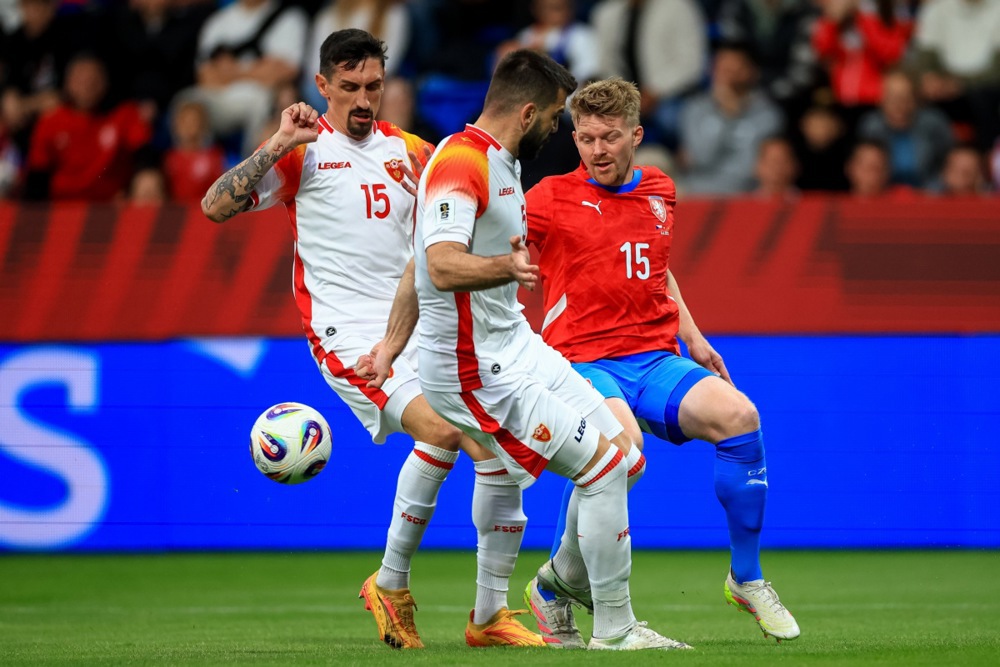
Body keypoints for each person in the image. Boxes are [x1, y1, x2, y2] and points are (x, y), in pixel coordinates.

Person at [201, 29, 541, 650]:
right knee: (448, 432)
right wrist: (278, 141)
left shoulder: (413, 152)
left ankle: (477, 611)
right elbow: (214, 207)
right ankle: (406, 589)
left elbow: (456, 225)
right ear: (322, 86)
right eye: (350, 86)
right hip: (350, 336)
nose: (363, 99)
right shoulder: (303, 152)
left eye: (374, 86)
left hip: (419, 325)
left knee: (498, 452)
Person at [360, 49, 692, 651]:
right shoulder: (461, 163)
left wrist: (387, 349)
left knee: (626, 457)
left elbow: (415, 264)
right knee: (602, 469)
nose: (559, 132)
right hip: (473, 368)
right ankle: (614, 629)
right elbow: (439, 264)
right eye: (558, 119)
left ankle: (514, 605)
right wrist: (504, 267)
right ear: (530, 112)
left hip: (516, 345)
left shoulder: (502, 163)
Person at [520, 76, 800, 646]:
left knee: (741, 418)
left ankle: (746, 578)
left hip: (653, 358)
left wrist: (693, 336)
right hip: (582, 360)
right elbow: (496, 243)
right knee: (621, 453)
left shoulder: (660, 191)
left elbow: (655, 268)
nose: (598, 150)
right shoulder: (547, 198)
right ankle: (560, 585)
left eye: (610, 138)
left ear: (636, 135)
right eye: (586, 139)